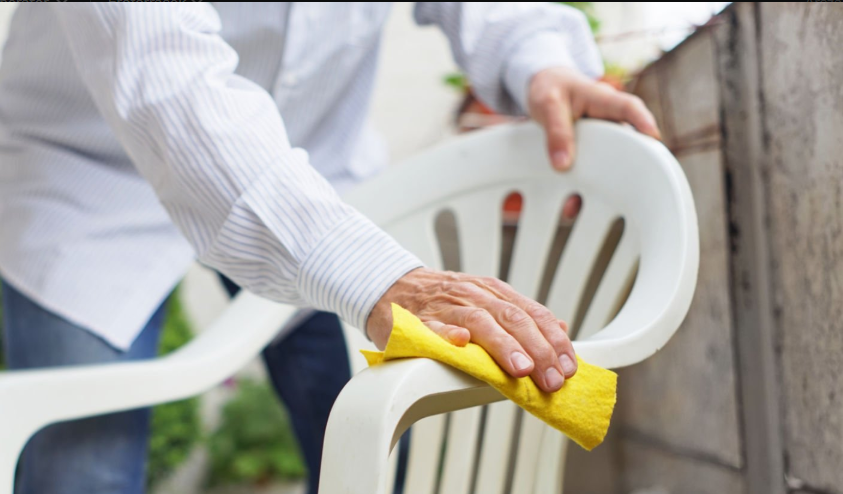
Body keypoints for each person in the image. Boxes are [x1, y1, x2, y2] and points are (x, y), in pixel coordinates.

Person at [0, 3, 660, 494]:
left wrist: (539, 56)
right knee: (81, 474)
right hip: (85, 178)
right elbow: (166, 79)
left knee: (381, 456)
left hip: (315, 170)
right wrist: (377, 279)